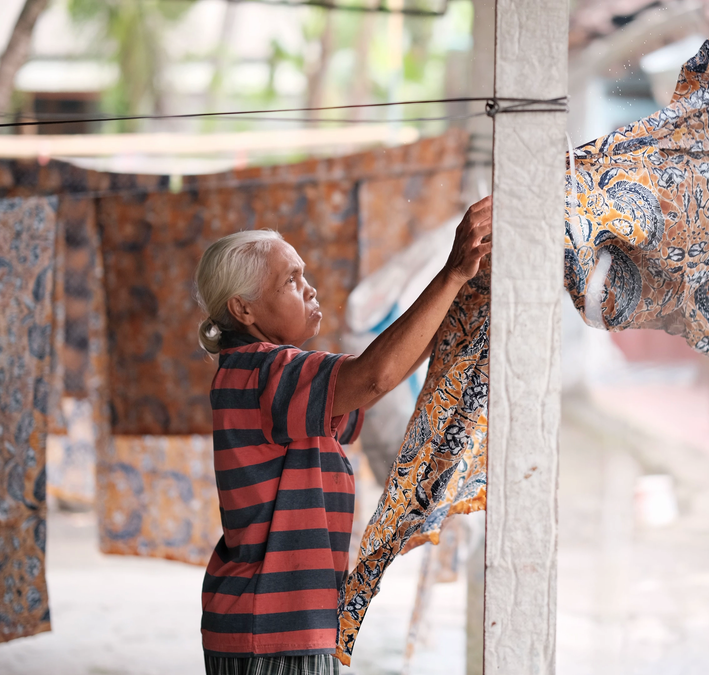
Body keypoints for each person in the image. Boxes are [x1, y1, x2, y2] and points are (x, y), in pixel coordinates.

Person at [193, 196, 491, 675]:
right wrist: (452, 274)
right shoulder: (266, 373)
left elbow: (376, 380)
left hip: (272, 625)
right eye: (291, 281)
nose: (310, 289)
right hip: (270, 631)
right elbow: (375, 376)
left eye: (303, 275)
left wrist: (455, 303)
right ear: (243, 308)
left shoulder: (267, 379)